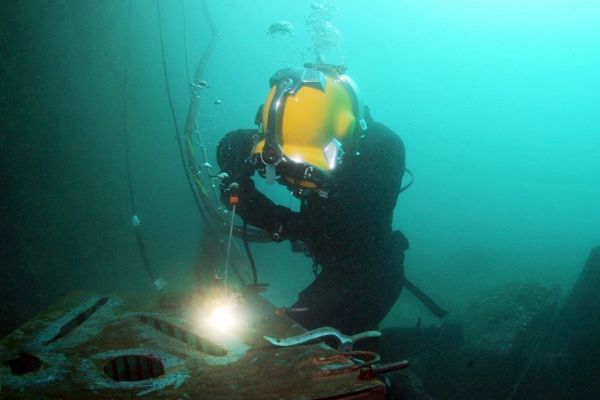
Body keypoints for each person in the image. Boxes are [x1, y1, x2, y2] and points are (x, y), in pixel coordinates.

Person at [216, 64, 409, 336]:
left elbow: (337, 232)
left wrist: (267, 216)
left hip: (367, 277)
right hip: (332, 263)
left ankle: (431, 342)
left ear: (341, 138)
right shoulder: (295, 131)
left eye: (308, 171)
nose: (297, 185)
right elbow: (231, 144)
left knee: (320, 342)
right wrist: (235, 177)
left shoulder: (381, 156)